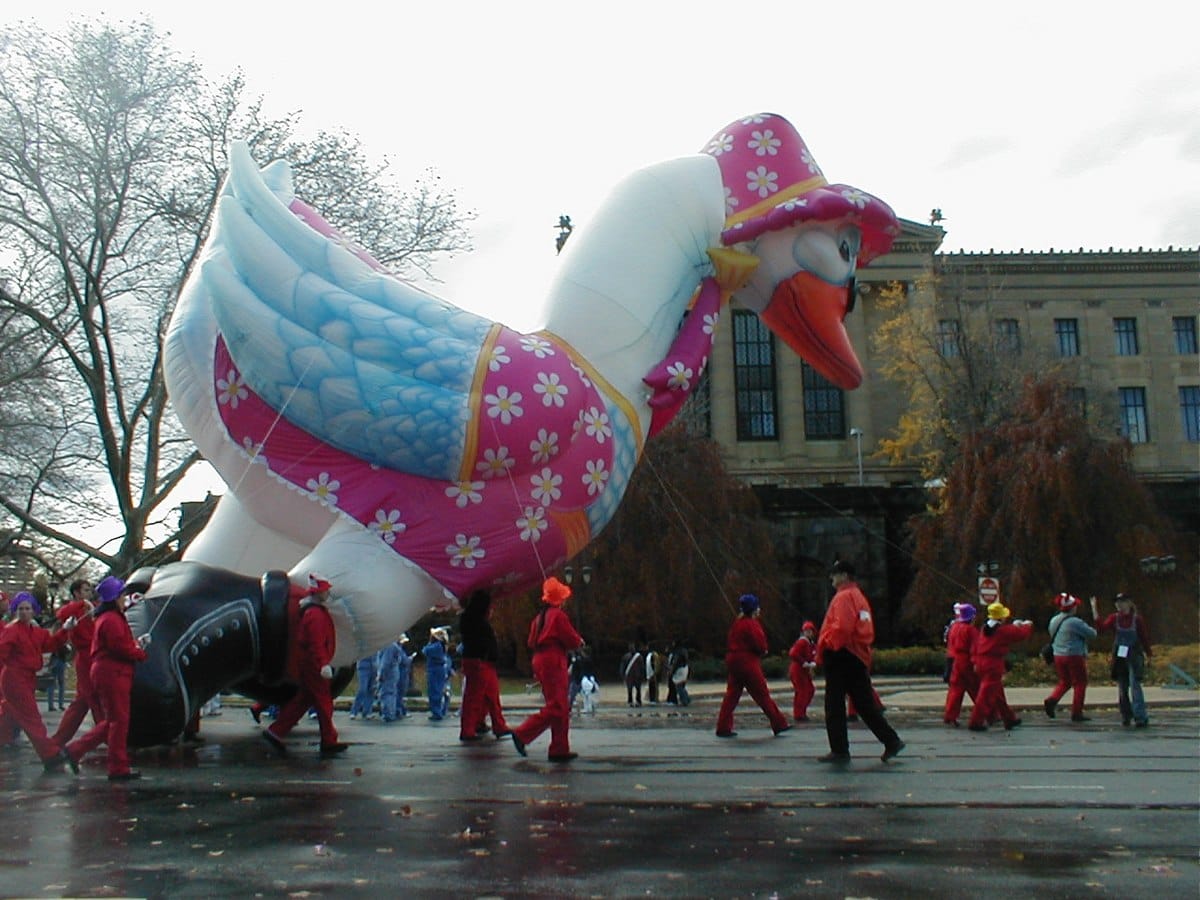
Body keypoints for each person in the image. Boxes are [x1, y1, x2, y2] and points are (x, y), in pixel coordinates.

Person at [816, 561, 903, 762]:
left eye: (835, 574)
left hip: (841, 654)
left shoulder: (843, 597)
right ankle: (891, 740)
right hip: (857, 655)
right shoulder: (859, 596)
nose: (831, 578)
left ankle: (839, 749)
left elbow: (842, 628)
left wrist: (827, 644)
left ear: (844, 576)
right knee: (864, 703)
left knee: (834, 704)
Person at [63, 577, 150, 779]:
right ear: (115, 597)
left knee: (113, 720)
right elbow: (121, 648)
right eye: (122, 595)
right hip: (114, 673)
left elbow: (120, 644)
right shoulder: (112, 619)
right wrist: (140, 651)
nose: (125, 598)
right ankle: (117, 767)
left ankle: (75, 751)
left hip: (110, 672)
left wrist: (137, 644)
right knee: (118, 722)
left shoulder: (108, 618)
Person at [262, 574, 348, 759]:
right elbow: (316, 643)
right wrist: (323, 664)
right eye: (325, 590)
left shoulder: (312, 612)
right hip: (314, 666)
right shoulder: (315, 614)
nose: (327, 593)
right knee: (323, 703)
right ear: (318, 593)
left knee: (302, 701)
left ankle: (275, 731)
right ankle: (328, 740)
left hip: (310, 664)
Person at [0, 591, 78, 772]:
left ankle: (4, 738)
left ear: (33, 610)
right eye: (20, 609)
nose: (24, 612)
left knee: (12, 714)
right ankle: (49, 754)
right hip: (15, 678)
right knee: (31, 717)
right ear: (15, 611)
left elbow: (50, 644)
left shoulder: (35, 632)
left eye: (27, 608)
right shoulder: (12, 631)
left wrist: (65, 630)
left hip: (25, 677)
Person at [511, 576, 584, 762]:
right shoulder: (558, 616)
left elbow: (531, 641)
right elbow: (571, 639)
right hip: (553, 659)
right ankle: (523, 733)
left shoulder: (539, 618)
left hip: (540, 659)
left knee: (558, 704)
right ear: (559, 599)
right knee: (558, 706)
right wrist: (579, 642)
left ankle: (560, 748)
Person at [715, 594, 791, 738]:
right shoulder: (752, 624)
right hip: (747, 661)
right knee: (762, 694)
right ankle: (779, 723)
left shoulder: (737, 623)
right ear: (754, 609)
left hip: (733, 660)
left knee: (731, 695)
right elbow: (760, 644)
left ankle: (723, 726)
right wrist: (764, 650)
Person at [967, 601, 1034, 732]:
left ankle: (1009, 718)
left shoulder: (985, 628)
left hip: (981, 662)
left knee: (997, 694)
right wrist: (1026, 625)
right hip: (993, 664)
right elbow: (1020, 634)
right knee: (985, 696)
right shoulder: (1002, 631)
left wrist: (974, 661)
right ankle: (976, 721)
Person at [1091, 592, 1152, 727]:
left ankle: (1140, 716)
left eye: (1122, 602)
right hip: (1120, 655)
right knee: (1122, 686)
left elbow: (1144, 637)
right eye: (1117, 602)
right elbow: (1101, 629)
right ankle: (1126, 715)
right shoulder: (1114, 618)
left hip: (1134, 654)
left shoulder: (1136, 619)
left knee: (1135, 684)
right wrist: (1095, 611)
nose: (1119, 605)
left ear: (1129, 603)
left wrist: (1149, 654)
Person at [51, 579, 99, 746]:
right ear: (77, 593)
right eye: (85, 590)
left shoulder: (92, 607)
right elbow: (62, 614)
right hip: (85, 657)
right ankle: (105, 733)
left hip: (94, 655)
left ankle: (59, 739)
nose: (89, 593)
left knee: (84, 701)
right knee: (91, 698)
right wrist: (82, 605)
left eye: (89, 590)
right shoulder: (74, 609)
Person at [457, 589, 510, 742]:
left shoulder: (470, 619)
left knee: (486, 696)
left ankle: (487, 725)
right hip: (480, 661)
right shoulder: (477, 622)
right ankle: (471, 729)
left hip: (479, 661)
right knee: (478, 697)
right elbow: (483, 641)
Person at [1043, 593, 1097, 723]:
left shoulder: (1054, 620)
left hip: (1058, 655)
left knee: (1065, 681)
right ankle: (1076, 712)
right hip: (1074, 655)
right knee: (1080, 683)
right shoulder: (1075, 622)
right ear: (1072, 608)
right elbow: (1092, 634)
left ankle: (1052, 699)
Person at [943, 602, 980, 727]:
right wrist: (976, 662)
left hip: (956, 661)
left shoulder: (954, 627)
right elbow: (975, 648)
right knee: (976, 688)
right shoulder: (971, 630)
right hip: (967, 661)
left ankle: (950, 716)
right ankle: (988, 713)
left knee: (955, 689)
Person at [787, 621, 817, 722]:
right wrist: (804, 662)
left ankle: (800, 712)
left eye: (810, 631)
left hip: (803, 671)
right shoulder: (802, 642)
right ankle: (799, 714)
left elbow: (813, 655)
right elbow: (793, 653)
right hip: (798, 670)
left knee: (809, 690)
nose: (808, 633)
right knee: (803, 691)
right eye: (806, 631)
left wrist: (812, 664)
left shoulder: (810, 644)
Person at [422, 627, 452, 721]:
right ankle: (441, 710)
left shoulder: (436, 646)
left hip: (435, 670)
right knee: (440, 690)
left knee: (434, 691)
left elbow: (424, 650)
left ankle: (437, 712)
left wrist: (429, 642)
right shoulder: (442, 645)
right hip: (439, 670)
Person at [349, 652, 378, 720]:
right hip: (363, 667)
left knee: (371, 690)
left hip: (374, 667)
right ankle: (354, 711)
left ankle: (367, 712)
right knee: (362, 689)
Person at [667, 639, 691, 707]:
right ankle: (686, 699)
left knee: (678, 686)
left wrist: (672, 670)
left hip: (679, 669)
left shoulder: (677, 652)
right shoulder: (684, 650)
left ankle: (685, 700)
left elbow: (675, 662)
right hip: (685, 668)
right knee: (681, 685)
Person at [620, 642, 643, 707]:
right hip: (635, 675)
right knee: (635, 689)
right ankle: (636, 701)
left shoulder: (627, 656)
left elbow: (622, 667)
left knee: (634, 689)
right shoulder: (639, 657)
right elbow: (642, 667)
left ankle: (632, 701)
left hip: (631, 676)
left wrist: (623, 675)